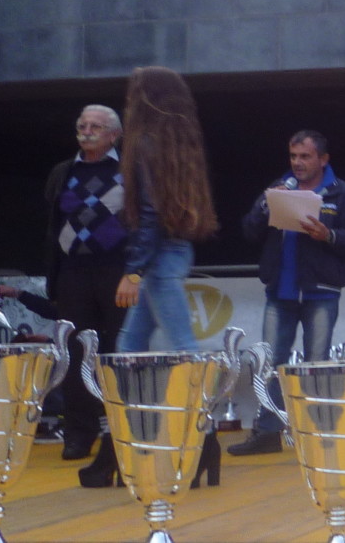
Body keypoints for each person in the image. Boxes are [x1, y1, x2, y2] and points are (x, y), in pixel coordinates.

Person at [228, 129, 345, 454]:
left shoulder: (342, 194)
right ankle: (267, 433)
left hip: (321, 292)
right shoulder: (279, 188)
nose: (298, 163)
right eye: (293, 156)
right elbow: (248, 231)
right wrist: (265, 205)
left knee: (315, 364)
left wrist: (328, 235)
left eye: (305, 156)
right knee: (270, 364)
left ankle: (315, 433)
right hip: (280, 292)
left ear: (323, 159)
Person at [42, 105, 127, 463]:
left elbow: (144, 224)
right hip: (73, 273)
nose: (87, 131)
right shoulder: (63, 172)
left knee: (118, 351)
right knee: (75, 353)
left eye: (95, 126)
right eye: (82, 125)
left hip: (117, 272)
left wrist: (135, 273)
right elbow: (51, 222)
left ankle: (122, 431)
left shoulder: (130, 171)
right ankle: (79, 433)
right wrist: (55, 276)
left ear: (113, 135)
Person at [114, 66, 218, 352]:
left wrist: (133, 272)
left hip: (158, 258)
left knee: (183, 346)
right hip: (175, 251)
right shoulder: (179, 146)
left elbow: (151, 213)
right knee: (130, 344)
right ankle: (132, 398)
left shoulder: (145, 143)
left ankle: (205, 397)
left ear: (145, 97)